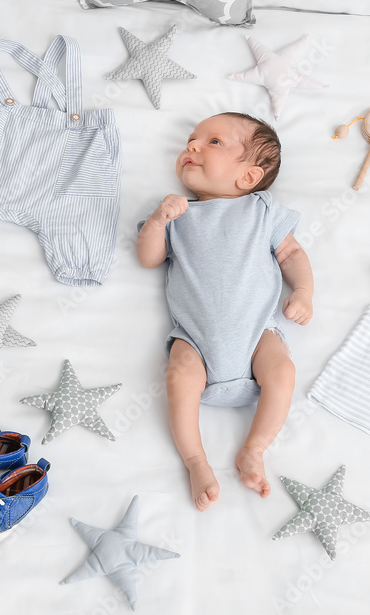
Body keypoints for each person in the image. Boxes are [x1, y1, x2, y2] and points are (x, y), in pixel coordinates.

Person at [136, 112, 314, 511]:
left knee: (283, 372)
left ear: (248, 177)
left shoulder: (261, 209)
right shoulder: (179, 216)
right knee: (179, 376)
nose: (192, 146)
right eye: (191, 140)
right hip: (195, 339)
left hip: (256, 337)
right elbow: (149, 259)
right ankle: (196, 462)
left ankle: (254, 448)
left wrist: (303, 291)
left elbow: (291, 252)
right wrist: (157, 220)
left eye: (212, 142)